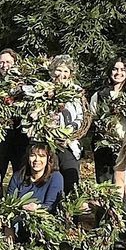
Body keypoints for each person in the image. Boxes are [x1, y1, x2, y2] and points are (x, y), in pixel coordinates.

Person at [6, 143, 64, 250]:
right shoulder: (18, 177)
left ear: (49, 159)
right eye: (33, 155)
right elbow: (8, 204)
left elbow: (51, 205)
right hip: (19, 220)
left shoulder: (55, 177)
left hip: (43, 222)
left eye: (41, 156)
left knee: (43, 226)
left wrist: (37, 208)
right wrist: (8, 227)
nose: (37, 160)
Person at [89, 58, 126, 184]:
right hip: (104, 149)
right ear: (110, 71)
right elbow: (92, 120)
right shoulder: (99, 95)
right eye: (115, 69)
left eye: (122, 70)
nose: (118, 73)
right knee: (105, 184)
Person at [49, 55, 86, 198]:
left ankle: (71, 209)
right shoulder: (44, 90)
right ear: (53, 71)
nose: (62, 74)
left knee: (71, 180)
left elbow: (81, 116)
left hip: (69, 143)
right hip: (48, 143)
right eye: (59, 70)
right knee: (50, 180)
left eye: (66, 71)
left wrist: (68, 132)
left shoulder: (76, 91)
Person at [0, 48, 28, 190]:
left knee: (20, 169)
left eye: (8, 62)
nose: (4, 65)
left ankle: (19, 197)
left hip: (20, 134)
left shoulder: (24, 83)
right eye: (1, 62)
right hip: (0, 133)